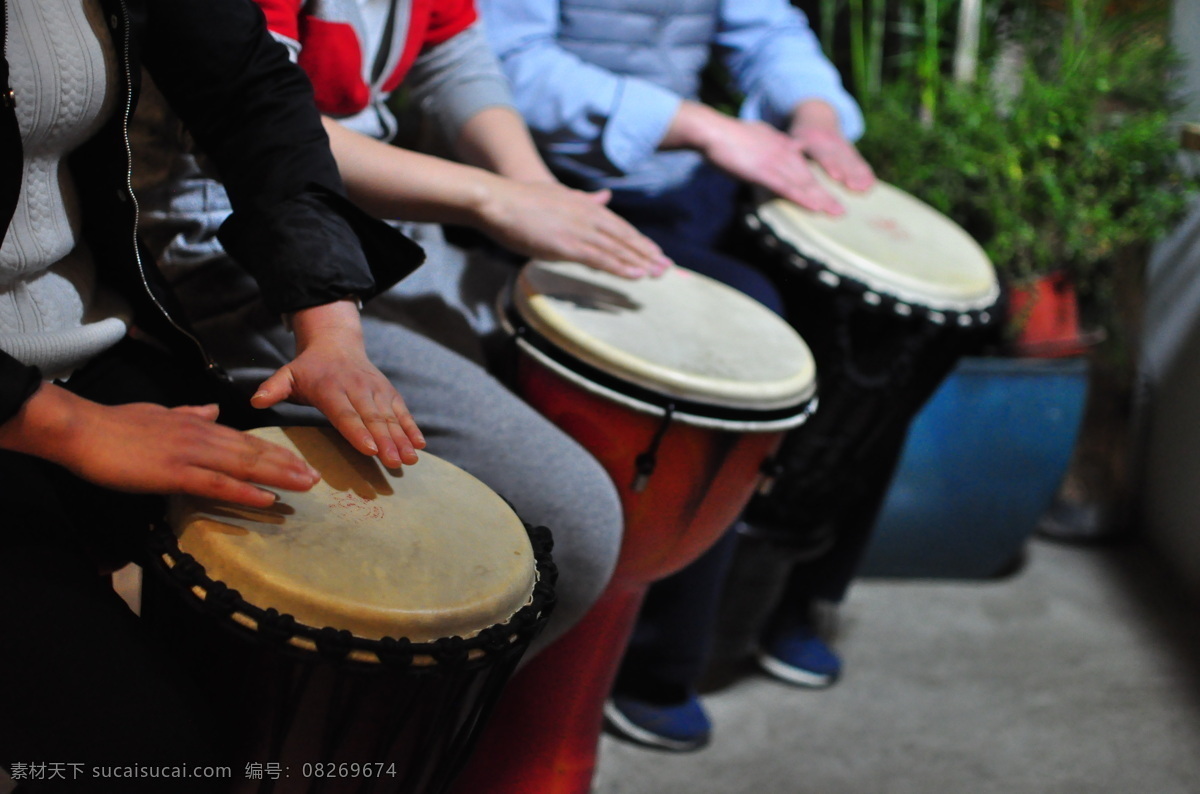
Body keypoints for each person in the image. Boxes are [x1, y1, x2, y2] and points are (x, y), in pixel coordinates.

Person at [131, 0, 673, 657]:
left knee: (563, 353)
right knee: (571, 516)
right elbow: (258, 123)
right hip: (231, 249)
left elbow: (454, 53)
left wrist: (538, 191)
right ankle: (336, 735)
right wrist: (492, 197)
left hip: (384, 223)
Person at [0, 0, 424, 788]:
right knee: (150, 750)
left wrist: (330, 325)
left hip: (94, 338)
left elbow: (251, 93)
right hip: (19, 406)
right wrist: (58, 424)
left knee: (331, 619)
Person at [479, 0, 883, 751]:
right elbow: (509, 67)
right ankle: (655, 662)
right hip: (551, 182)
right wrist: (701, 123)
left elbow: (767, 31)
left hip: (687, 179)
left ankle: (787, 594)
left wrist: (815, 116)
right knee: (747, 313)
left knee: (860, 311)